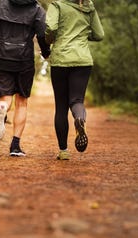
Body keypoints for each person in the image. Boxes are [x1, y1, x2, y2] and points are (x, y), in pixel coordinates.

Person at [0, 0, 50, 157]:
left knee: (5, 98)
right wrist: (46, 52)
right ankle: (15, 146)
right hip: (23, 60)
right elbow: (42, 34)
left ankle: (2, 107)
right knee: (22, 102)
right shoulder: (37, 10)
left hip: (2, 57)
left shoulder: (0, 5)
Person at [45, 0, 104, 160]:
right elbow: (99, 35)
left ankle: (63, 151)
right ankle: (80, 119)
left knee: (61, 107)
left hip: (61, 59)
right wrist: (83, 35)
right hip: (82, 59)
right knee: (77, 100)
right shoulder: (88, 6)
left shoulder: (56, 5)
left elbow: (50, 28)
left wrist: (50, 40)